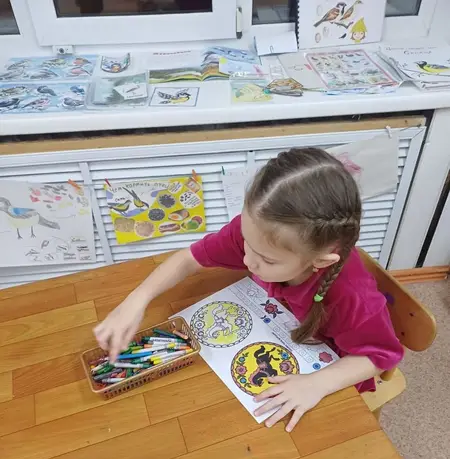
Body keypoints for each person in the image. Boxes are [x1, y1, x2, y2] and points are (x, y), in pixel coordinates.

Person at [95, 148, 403, 432]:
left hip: (328, 378)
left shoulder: (353, 296)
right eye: (246, 240)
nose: (246, 260)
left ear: (320, 261)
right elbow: (189, 258)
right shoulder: (259, 234)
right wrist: (137, 299)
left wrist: (317, 384)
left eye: (267, 259)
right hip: (275, 334)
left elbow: (380, 356)